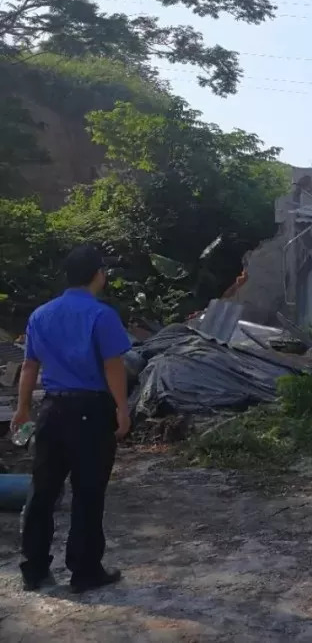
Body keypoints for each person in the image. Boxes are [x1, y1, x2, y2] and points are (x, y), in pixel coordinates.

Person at [11, 244, 131, 593]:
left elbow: (30, 366)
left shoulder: (41, 315)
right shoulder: (101, 315)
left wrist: (22, 410)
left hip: (51, 410)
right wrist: (122, 409)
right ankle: (84, 570)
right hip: (90, 412)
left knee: (42, 492)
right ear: (98, 275)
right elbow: (113, 366)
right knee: (88, 493)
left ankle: (33, 569)